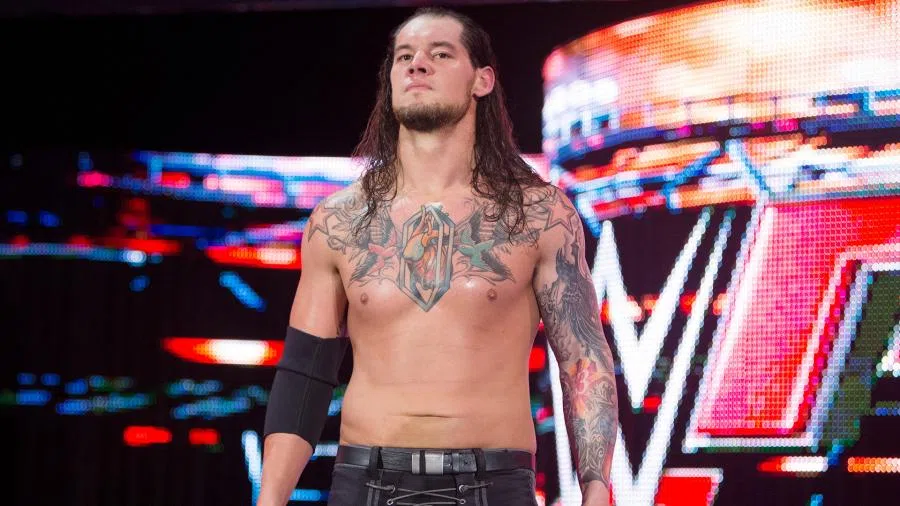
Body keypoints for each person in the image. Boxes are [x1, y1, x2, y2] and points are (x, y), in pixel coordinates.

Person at [258, 7, 618, 506]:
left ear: (482, 80)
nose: (417, 64)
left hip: (492, 482)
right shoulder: (339, 221)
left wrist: (596, 488)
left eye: (440, 54)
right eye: (404, 56)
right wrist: (270, 498)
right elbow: (305, 374)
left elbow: (583, 361)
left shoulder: (540, 215)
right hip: (365, 481)